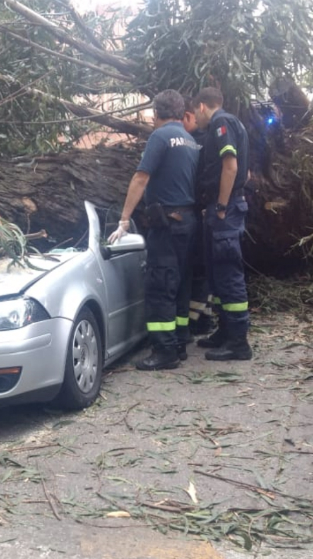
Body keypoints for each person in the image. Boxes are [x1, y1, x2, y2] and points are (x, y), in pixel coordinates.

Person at [109, 90, 200, 370]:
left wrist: (124, 219)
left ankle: (164, 351)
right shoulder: (189, 139)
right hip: (187, 222)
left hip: (167, 224)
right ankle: (179, 343)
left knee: (160, 285)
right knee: (180, 284)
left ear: (155, 114)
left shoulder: (160, 137)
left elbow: (141, 178)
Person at [192, 87, 252, 361]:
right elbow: (246, 173)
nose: (196, 119)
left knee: (228, 274)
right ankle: (225, 331)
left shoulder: (221, 123)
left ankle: (238, 342)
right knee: (217, 273)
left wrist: (222, 205)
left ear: (202, 106)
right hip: (225, 207)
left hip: (224, 211)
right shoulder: (234, 123)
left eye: (195, 113)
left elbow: (232, 167)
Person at [182, 97, 214, 337]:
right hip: (202, 209)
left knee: (199, 267)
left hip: (201, 210)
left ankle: (196, 319)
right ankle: (204, 318)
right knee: (202, 266)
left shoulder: (201, 140)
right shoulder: (198, 139)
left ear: (188, 116)